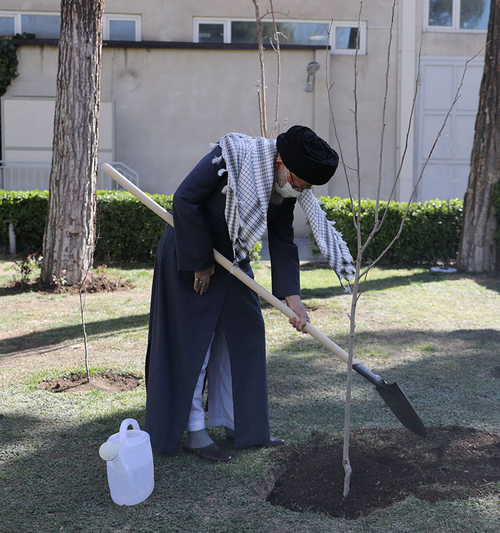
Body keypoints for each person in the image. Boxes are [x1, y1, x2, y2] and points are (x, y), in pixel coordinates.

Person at [144, 125, 354, 462]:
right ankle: (195, 432)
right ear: (281, 162)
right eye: (300, 183)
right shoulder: (230, 157)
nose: (301, 191)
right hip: (191, 253)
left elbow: (282, 236)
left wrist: (292, 296)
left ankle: (242, 425)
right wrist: (201, 262)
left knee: (246, 333)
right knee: (195, 342)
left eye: (307, 188)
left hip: (233, 259)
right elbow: (184, 199)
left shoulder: (285, 188)